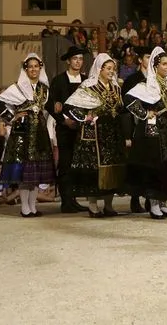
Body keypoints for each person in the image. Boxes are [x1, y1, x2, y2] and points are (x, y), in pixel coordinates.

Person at [124, 47, 167, 220]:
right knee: (154, 164)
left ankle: (162, 201)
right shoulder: (148, 84)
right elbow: (128, 98)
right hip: (151, 131)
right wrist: (144, 113)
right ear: (155, 66)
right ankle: (154, 203)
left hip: (165, 129)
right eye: (164, 64)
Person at [65, 53, 127, 218]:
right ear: (100, 69)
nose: (111, 72)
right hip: (94, 135)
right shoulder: (88, 86)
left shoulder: (116, 88)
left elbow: (120, 109)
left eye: (113, 69)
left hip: (112, 133)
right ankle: (93, 206)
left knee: (113, 169)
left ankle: (108, 205)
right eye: (108, 68)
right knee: (94, 171)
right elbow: (71, 106)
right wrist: (85, 118)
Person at [0, 53, 54, 218]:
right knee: (24, 172)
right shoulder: (17, 87)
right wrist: (12, 117)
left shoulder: (45, 89)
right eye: (31, 67)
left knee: (36, 172)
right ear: (26, 69)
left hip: (40, 132)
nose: (34, 69)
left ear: (40, 68)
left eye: (36, 66)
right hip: (22, 133)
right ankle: (24, 208)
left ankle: (33, 207)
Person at [46, 45, 88, 213]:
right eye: (75, 59)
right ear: (69, 61)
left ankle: (74, 199)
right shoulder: (58, 80)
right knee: (65, 164)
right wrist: (64, 121)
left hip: (83, 129)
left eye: (80, 59)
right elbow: (51, 104)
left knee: (78, 165)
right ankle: (66, 201)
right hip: (64, 130)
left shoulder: (86, 81)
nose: (78, 62)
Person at [121, 45, 152, 213]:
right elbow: (126, 108)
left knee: (150, 163)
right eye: (147, 57)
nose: (150, 60)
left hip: (152, 127)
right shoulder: (132, 80)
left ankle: (150, 198)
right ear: (140, 60)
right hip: (136, 126)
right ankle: (134, 199)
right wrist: (127, 134)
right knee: (136, 164)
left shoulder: (157, 79)